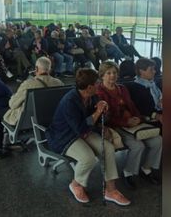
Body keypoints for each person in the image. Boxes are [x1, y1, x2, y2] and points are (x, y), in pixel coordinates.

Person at [47, 68, 131, 205]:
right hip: (65, 135)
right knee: (88, 158)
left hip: (83, 131)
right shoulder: (70, 101)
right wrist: (97, 112)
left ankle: (111, 190)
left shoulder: (92, 96)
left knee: (108, 149)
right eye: (97, 83)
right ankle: (76, 184)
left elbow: (94, 117)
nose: (99, 85)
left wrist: (102, 106)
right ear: (90, 87)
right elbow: (80, 128)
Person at [96, 61, 162, 190]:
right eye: (108, 73)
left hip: (131, 123)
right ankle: (128, 172)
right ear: (102, 75)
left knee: (158, 141)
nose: (112, 76)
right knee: (137, 145)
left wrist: (138, 117)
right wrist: (125, 122)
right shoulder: (100, 93)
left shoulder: (122, 88)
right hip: (115, 126)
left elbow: (131, 106)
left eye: (114, 73)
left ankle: (146, 168)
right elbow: (106, 117)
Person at [3, 57, 63, 126]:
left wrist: (13, 96)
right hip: (50, 120)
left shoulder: (29, 84)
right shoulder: (59, 83)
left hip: (27, 123)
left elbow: (13, 104)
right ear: (49, 69)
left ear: (36, 69)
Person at [128, 58, 163, 125]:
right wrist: (156, 115)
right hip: (150, 117)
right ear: (141, 71)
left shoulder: (152, 84)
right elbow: (140, 108)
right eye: (151, 70)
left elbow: (160, 98)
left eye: (154, 69)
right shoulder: (136, 87)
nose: (154, 71)